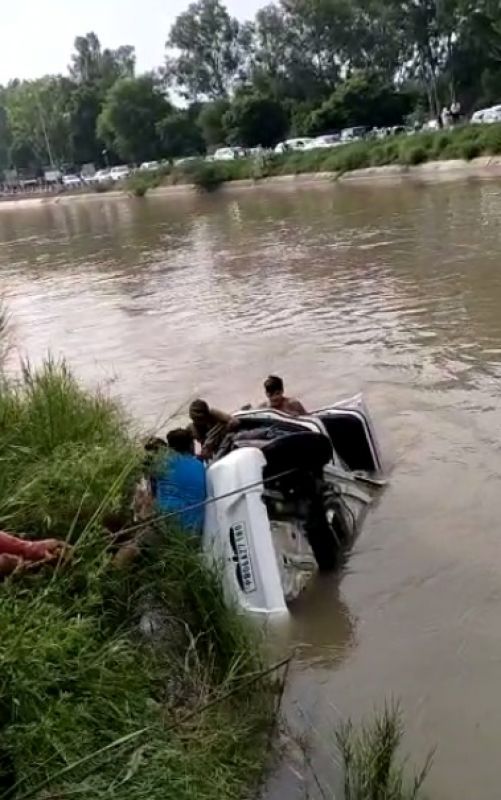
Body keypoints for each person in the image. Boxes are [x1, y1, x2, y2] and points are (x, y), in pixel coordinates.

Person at [155, 428, 207, 535]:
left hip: (166, 520)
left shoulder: (163, 463)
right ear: (191, 445)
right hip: (194, 525)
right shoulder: (199, 466)